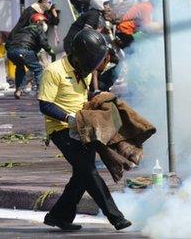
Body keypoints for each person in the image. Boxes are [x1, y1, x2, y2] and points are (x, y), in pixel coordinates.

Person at [38, 28, 131, 231]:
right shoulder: (54, 71)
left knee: (81, 175)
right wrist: (67, 117)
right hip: (61, 129)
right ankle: (116, 217)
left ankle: (58, 216)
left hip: (83, 127)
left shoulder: (86, 73)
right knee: (89, 172)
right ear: (79, 56)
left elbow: (84, 96)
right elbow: (45, 104)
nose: (92, 67)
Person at [6, 13, 55, 99]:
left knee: (20, 67)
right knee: (38, 69)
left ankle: (18, 90)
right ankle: (40, 92)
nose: (45, 24)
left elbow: (9, 42)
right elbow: (43, 41)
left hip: (11, 52)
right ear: (38, 21)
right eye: (43, 22)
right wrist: (49, 50)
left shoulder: (22, 30)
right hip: (24, 50)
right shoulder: (37, 28)